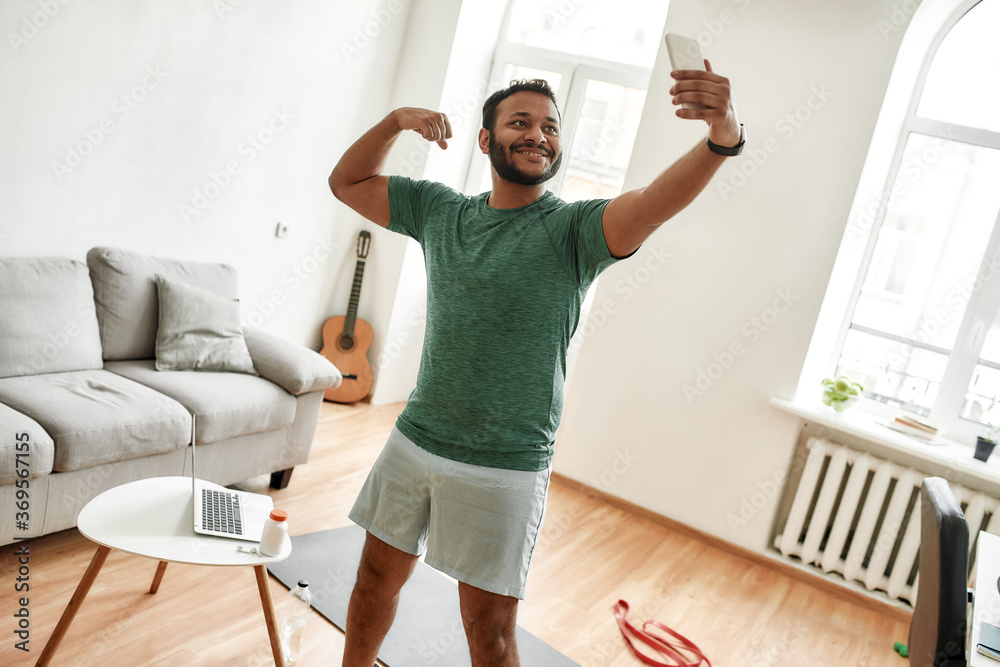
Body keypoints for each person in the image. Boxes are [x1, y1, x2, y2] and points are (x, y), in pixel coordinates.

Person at [328, 62, 743, 667]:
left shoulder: (574, 231)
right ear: (485, 139)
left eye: (550, 126)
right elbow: (347, 180)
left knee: (488, 631)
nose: (538, 135)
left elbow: (654, 204)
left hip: (505, 464)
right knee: (372, 583)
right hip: (415, 440)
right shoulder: (439, 211)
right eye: (519, 122)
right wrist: (395, 120)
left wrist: (722, 136)